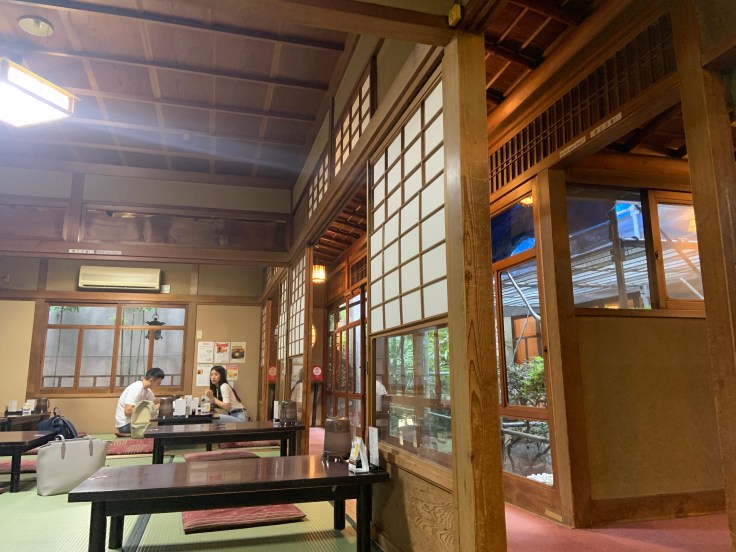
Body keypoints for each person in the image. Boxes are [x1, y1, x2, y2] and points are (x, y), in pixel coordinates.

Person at [115, 367, 165, 435]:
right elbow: (127, 411)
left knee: (161, 426)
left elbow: (158, 404)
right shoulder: (136, 388)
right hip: (126, 424)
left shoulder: (147, 390)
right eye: (158, 383)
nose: (159, 385)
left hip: (135, 421)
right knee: (158, 429)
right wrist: (150, 408)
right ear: (151, 380)